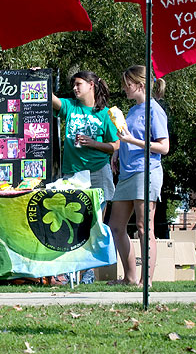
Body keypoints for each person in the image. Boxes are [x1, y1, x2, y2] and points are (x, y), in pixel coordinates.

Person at [52, 70, 120, 284]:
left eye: (78, 84)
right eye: (73, 84)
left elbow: (116, 145)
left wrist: (94, 144)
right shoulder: (71, 106)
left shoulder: (105, 114)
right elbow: (49, 98)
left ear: (91, 85)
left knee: (94, 224)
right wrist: (38, 78)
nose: (74, 88)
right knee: (72, 225)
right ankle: (70, 272)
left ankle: (88, 272)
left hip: (98, 173)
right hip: (72, 173)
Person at [108, 65, 169, 287]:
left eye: (127, 84)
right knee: (116, 226)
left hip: (146, 172)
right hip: (126, 174)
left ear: (140, 84)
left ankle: (147, 281)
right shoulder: (133, 110)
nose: (124, 88)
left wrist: (131, 142)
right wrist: (116, 152)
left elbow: (164, 148)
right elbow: (124, 137)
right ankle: (130, 277)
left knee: (144, 227)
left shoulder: (155, 110)